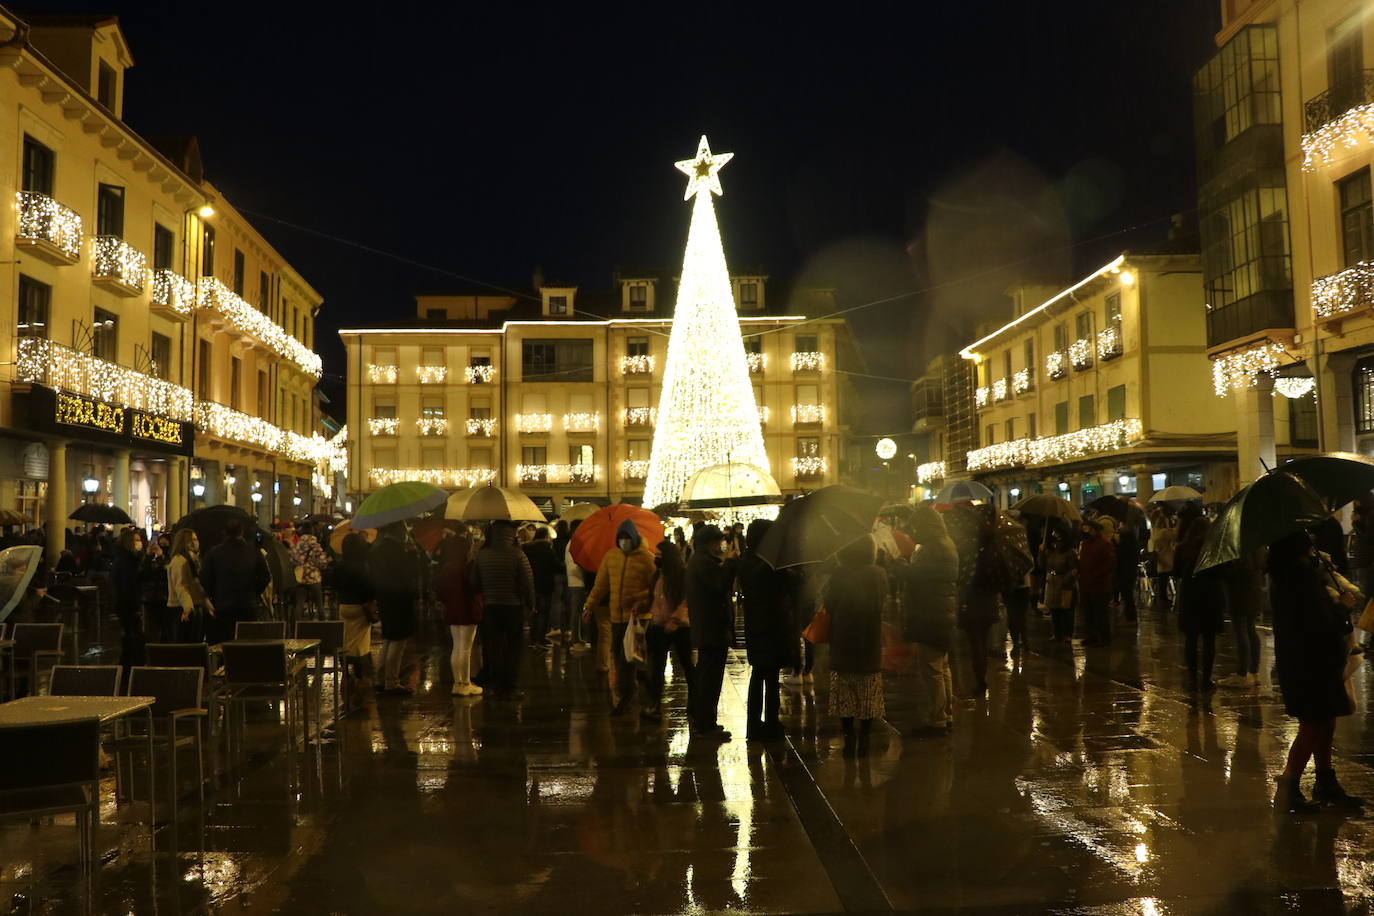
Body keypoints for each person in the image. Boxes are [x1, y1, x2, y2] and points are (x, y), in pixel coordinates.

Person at [1269, 529, 1364, 813]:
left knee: (1324, 721)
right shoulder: (1301, 580)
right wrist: (1342, 607)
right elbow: (1320, 623)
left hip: (1307, 662)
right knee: (1313, 725)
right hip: (1312, 663)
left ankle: (1326, 781)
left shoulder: (1290, 576)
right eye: (1308, 545)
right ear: (1299, 549)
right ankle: (1289, 788)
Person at [582, 519, 656, 714]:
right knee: (620, 658)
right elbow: (600, 585)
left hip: (639, 617)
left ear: (635, 538)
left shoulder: (647, 558)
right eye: (621, 538)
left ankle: (649, 699)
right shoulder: (611, 557)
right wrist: (589, 606)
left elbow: (655, 589)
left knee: (637, 659)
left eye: (627, 538)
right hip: (617, 618)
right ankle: (625, 697)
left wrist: (635, 599)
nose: (624, 541)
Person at [826, 535, 888, 759]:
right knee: (867, 691)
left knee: (846, 691)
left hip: (843, 637)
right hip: (869, 636)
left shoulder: (840, 574)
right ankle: (865, 737)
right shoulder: (879, 574)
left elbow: (829, 604)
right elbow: (882, 602)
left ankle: (849, 735)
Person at [901, 504, 959, 737]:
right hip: (939, 611)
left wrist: (901, 567)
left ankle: (937, 719)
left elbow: (921, 577)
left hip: (932, 613)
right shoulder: (943, 544)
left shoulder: (935, 547)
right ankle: (945, 714)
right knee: (941, 667)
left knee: (933, 668)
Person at [737, 519, 791, 741]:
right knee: (769, 676)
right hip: (771, 625)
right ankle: (769, 723)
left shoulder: (744, 561)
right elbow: (785, 586)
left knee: (761, 675)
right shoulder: (768, 564)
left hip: (755, 625)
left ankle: (756, 724)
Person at [469, 520, 535, 700]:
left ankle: (495, 684)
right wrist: (531, 604)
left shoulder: (482, 555)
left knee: (493, 647)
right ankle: (510, 686)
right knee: (513, 648)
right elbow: (527, 584)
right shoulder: (517, 555)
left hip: (490, 607)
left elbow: (474, 583)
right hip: (513, 607)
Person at [686, 525, 736, 740]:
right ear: (709, 543)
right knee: (710, 678)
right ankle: (705, 724)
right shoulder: (704, 563)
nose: (719, 545)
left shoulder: (699, 561)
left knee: (707, 675)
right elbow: (719, 586)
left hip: (707, 627)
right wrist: (731, 564)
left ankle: (704, 721)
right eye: (717, 541)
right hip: (712, 628)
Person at [1174, 516, 1226, 692]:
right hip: (1211, 595)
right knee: (1209, 639)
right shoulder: (1214, 548)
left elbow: (1176, 571)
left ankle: (1192, 677)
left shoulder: (1182, 548)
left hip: (1190, 596)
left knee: (1191, 638)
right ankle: (1206, 679)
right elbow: (1224, 572)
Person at [369, 522, 419, 697]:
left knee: (388, 639)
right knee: (398, 640)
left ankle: (380, 679)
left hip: (384, 597)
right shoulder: (397, 551)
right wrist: (412, 553)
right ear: (398, 531)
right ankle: (391, 682)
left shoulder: (376, 550)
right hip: (399, 599)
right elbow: (410, 572)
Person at [200, 518, 270, 644]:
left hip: (223, 604)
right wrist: (255, 592)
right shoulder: (253, 552)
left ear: (225, 533)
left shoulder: (214, 553)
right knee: (247, 643)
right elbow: (265, 576)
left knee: (224, 643)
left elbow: (205, 577)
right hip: (247, 604)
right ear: (241, 532)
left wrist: (214, 594)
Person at [644, 540, 693, 723]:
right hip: (658, 626)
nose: (656, 558)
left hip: (679, 628)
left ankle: (695, 700)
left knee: (687, 664)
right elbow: (654, 599)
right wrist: (642, 604)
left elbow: (686, 600)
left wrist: (675, 619)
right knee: (656, 668)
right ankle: (654, 703)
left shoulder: (681, 575)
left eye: (659, 555)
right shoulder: (657, 575)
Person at [956, 504, 1001, 696]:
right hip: (989, 601)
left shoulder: (972, 551)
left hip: (973, 601)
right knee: (983, 641)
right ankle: (982, 674)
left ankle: (980, 679)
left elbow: (964, 577)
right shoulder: (997, 549)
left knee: (976, 644)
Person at [437, 535, 483, 696]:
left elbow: (440, 592)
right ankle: (465, 683)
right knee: (466, 648)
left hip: (452, 610)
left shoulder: (446, 567)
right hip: (468, 610)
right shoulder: (468, 567)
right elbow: (476, 587)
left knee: (457, 647)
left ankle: (457, 683)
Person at [334, 532, 376, 706]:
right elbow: (369, 589)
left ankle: (345, 671)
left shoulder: (340, 566)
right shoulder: (363, 567)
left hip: (344, 607)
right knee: (360, 645)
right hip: (360, 608)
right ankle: (359, 676)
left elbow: (334, 583)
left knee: (346, 640)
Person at [1219, 547, 1265, 688]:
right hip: (1254, 588)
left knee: (1241, 631)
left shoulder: (1238, 545)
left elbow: (1237, 569)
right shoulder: (1257, 544)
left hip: (1239, 591)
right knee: (1250, 629)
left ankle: (1242, 674)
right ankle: (1254, 672)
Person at [111, 527, 148, 673]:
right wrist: (136, 607)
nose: (140, 544)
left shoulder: (124, 559)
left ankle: (128, 666)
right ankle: (131, 667)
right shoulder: (128, 561)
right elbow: (129, 585)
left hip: (124, 604)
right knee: (133, 636)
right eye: (137, 541)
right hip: (128, 605)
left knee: (130, 636)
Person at [1077, 518, 1116, 648]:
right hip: (1085, 584)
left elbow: (1109, 564)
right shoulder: (1086, 544)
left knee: (1100, 614)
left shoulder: (1105, 544)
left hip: (1099, 585)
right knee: (1088, 613)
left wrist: (1094, 575)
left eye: (1087, 528)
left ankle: (1104, 638)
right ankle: (1091, 636)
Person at [166, 529, 211, 642]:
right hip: (182, 608)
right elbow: (181, 586)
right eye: (192, 540)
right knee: (186, 644)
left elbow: (196, 585)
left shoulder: (193, 561)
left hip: (193, 606)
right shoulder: (180, 561)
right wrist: (187, 607)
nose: (196, 542)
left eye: (196, 539)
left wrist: (206, 604)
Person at [522, 527, 558, 649]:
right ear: (546, 536)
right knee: (544, 613)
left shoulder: (525, 548)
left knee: (533, 612)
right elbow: (556, 566)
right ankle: (541, 639)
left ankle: (532, 639)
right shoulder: (548, 549)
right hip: (545, 585)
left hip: (531, 585)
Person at [1041, 529, 1077, 642]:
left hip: (1065, 583)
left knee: (1066, 610)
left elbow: (1074, 569)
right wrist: (1041, 552)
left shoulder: (1070, 553)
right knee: (1054, 610)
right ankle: (1057, 634)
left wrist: (1065, 580)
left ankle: (1067, 634)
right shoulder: (1050, 551)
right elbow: (1042, 564)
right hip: (1052, 582)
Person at [289, 521, 330, 621]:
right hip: (313, 577)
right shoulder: (316, 545)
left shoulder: (298, 544)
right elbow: (323, 563)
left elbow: (292, 559)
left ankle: (296, 628)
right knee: (319, 603)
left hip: (301, 576)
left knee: (299, 603)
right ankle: (323, 625)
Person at [564, 519, 591, 652]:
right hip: (577, 582)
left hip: (574, 581)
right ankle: (574, 638)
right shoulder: (575, 543)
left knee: (577, 611)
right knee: (576, 612)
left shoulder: (572, 542)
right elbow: (575, 564)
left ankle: (576, 637)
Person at [143, 532, 173, 642]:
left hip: (167, 597)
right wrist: (148, 556)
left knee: (166, 628)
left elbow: (168, 573)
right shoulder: (153, 560)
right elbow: (145, 574)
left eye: (165, 544)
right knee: (153, 628)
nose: (162, 547)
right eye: (161, 544)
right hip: (154, 598)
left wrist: (161, 558)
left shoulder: (172, 559)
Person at [1115, 519, 1140, 624]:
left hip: (1126, 570)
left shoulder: (1127, 540)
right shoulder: (1130, 539)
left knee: (1127, 594)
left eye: (1121, 524)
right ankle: (1129, 616)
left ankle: (1131, 617)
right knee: (1127, 594)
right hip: (1128, 570)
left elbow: (1121, 553)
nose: (1119, 527)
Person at [549, 520, 570, 642]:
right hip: (569, 574)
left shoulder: (555, 543)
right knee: (568, 601)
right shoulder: (570, 542)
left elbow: (553, 559)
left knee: (556, 602)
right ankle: (568, 628)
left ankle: (556, 627)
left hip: (557, 574)